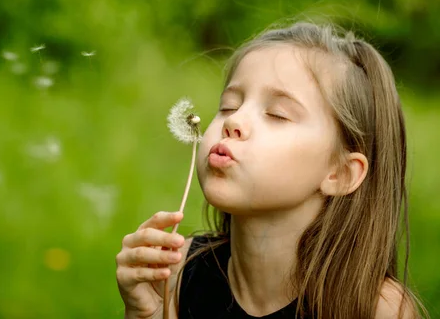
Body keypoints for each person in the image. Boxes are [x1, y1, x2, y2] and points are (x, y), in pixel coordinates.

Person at [115, 21, 428, 318]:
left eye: (277, 115)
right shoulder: (175, 276)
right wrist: (148, 314)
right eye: (228, 106)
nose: (233, 122)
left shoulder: (374, 309)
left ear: (340, 173)